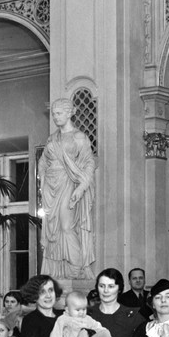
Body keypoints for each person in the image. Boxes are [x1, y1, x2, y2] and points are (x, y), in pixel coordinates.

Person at [38, 98, 95, 280]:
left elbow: (89, 164)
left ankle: (76, 267)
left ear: (70, 113)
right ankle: (56, 271)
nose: (55, 117)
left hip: (68, 182)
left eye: (59, 113)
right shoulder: (52, 138)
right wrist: (42, 178)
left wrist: (81, 188)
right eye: (53, 114)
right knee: (52, 230)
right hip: (50, 186)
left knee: (66, 226)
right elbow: (43, 161)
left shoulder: (79, 137)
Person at [88, 268, 145, 337]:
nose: (105, 291)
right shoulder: (88, 315)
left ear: (119, 288)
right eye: (102, 286)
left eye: (111, 286)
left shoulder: (133, 316)